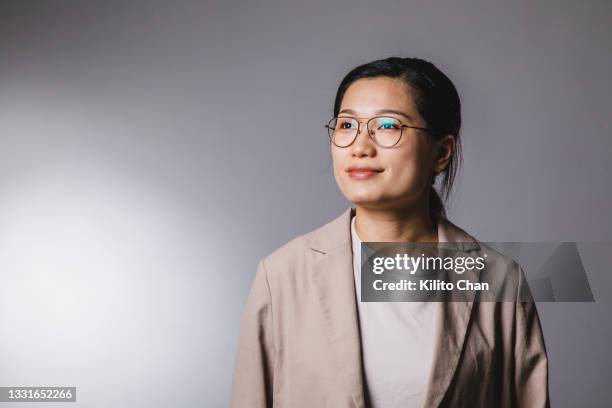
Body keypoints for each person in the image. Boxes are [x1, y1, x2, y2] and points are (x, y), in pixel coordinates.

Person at [230, 57, 550, 407]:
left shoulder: (500, 280)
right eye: (347, 125)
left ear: (441, 153)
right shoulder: (281, 276)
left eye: (387, 126)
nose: (360, 146)